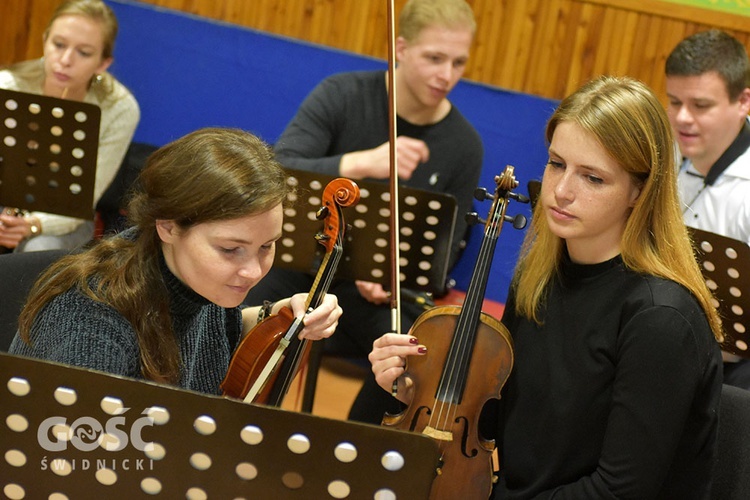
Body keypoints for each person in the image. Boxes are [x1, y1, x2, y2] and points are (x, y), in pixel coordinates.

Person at [369, 76, 724, 498]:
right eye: (557, 164)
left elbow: (619, 490)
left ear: (639, 191)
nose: (561, 191)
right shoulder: (538, 278)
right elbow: (495, 423)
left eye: (592, 178)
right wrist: (415, 389)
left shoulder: (660, 319)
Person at [243, 0, 483, 423]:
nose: (447, 75)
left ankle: (356, 446)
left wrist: (394, 273)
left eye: (458, 62)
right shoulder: (342, 95)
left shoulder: (464, 145)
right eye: (434, 58)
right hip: (301, 263)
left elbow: (446, 251)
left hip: (375, 291)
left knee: (417, 358)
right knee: (250, 321)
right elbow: (276, 171)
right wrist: (363, 163)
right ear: (401, 48)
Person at [9, 127, 341, 395]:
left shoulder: (194, 277)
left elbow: (210, 326)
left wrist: (283, 313)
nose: (253, 271)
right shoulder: (90, 323)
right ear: (168, 226)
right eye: (230, 249)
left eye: (267, 246)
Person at [0, 0, 140, 253]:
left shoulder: (120, 108)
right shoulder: (8, 85)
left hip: (66, 213)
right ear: (45, 40)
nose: (64, 60)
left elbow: (84, 200)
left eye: (84, 53)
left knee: (39, 252)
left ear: (102, 63)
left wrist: (32, 225)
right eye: (59, 44)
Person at [666, 29, 750, 390]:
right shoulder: (665, 156)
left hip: (732, 374)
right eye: (673, 102)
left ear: (744, 101)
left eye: (700, 106)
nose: (683, 118)